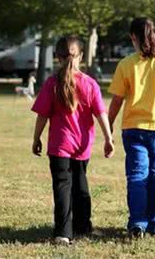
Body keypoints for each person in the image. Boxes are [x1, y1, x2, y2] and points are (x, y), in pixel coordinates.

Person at [30, 36, 115, 245]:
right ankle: (83, 226)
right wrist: (108, 138)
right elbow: (101, 114)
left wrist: (36, 138)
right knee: (80, 185)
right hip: (82, 145)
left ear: (57, 58)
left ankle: (63, 232)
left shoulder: (52, 83)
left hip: (59, 145)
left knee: (62, 187)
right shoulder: (90, 84)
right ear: (81, 57)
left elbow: (42, 115)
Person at [108, 17, 155, 238]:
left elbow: (117, 100)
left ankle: (137, 224)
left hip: (133, 127)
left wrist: (109, 124)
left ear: (133, 36)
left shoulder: (125, 64)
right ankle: (154, 224)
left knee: (136, 175)